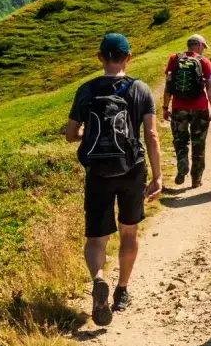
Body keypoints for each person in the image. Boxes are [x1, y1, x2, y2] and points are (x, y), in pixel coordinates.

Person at [64, 33, 161, 325]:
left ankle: (98, 278)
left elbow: (71, 134)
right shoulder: (141, 89)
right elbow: (151, 135)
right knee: (129, 233)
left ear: (100, 57)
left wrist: (87, 134)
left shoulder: (86, 90)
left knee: (97, 238)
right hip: (132, 170)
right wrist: (158, 176)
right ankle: (122, 290)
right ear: (128, 57)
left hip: (98, 172)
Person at [163, 34, 211, 188]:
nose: (203, 50)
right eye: (203, 47)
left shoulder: (174, 59)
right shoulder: (204, 61)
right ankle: (196, 179)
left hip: (178, 108)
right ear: (199, 45)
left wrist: (165, 107)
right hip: (200, 108)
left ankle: (182, 165)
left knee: (180, 140)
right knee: (198, 143)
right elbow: (210, 90)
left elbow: (168, 86)